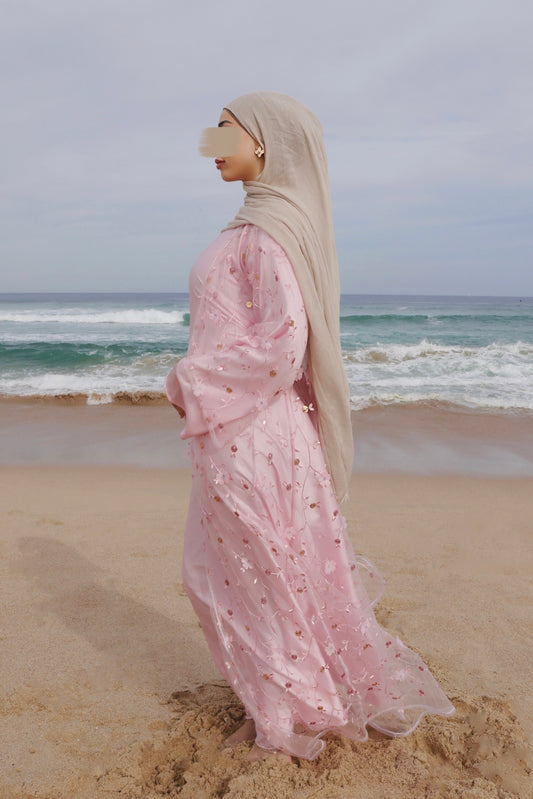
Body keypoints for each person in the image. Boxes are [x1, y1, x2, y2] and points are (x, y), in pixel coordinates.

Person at [165, 91, 454, 762]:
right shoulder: (248, 227)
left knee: (249, 580)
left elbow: (283, 344)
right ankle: (272, 702)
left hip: (253, 439)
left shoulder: (269, 234)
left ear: (265, 141)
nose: (211, 144)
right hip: (239, 433)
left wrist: (188, 380)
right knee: (235, 577)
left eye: (225, 130)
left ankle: (283, 721)